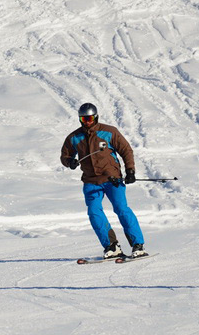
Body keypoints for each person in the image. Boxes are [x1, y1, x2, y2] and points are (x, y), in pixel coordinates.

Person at [61, 103, 147, 259]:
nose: (87, 121)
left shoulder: (109, 132)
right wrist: (69, 162)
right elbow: (65, 156)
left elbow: (126, 150)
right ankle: (111, 246)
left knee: (121, 209)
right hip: (91, 182)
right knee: (94, 212)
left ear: (96, 117)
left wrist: (130, 171)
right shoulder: (74, 137)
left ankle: (138, 245)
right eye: (84, 119)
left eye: (90, 118)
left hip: (112, 179)